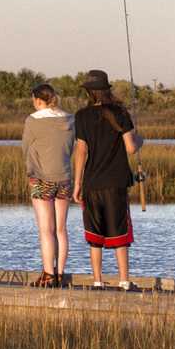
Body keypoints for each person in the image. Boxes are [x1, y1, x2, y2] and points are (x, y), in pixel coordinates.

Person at [69, 69, 141, 287]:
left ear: (90, 93)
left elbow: (81, 151)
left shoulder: (81, 116)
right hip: (116, 183)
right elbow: (131, 148)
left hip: (91, 183)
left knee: (94, 236)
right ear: (106, 90)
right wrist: (141, 140)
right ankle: (124, 281)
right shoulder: (120, 113)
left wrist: (77, 184)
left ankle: (98, 281)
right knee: (120, 232)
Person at [20, 83, 74, 286]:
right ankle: (60, 273)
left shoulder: (33, 121)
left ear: (38, 100)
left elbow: (25, 147)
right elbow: (70, 146)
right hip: (64, 178)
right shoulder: (69, 119)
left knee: (46, 229)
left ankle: (48, 275)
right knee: (61, 229)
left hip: (41, 178)